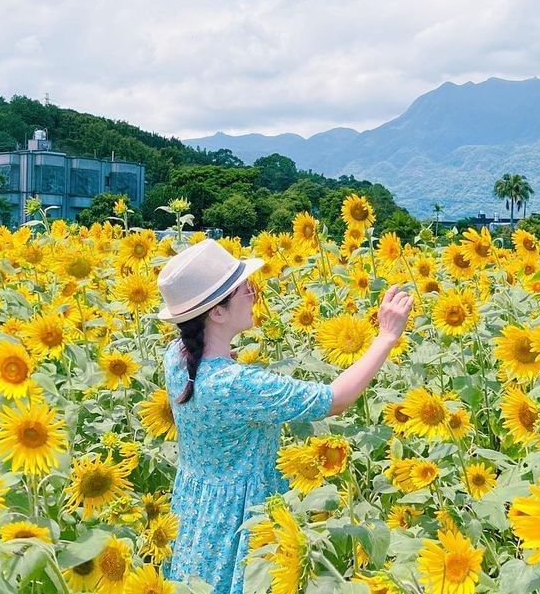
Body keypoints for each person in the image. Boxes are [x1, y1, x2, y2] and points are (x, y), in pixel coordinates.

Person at [156, 239, 413, 594]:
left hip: (196, 507)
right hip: (241, 519)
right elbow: (335, 400)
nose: (253, 292)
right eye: (243, 288)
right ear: (216, 312)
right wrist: (386, 336)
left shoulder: (177, 355)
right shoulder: (235, 385)